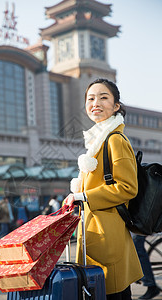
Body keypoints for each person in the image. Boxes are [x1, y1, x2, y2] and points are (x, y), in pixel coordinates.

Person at [64, 78, 143, 299]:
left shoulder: (115, 139)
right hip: (96, 234)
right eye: (90, 98)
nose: (95, 102)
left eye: (103, 97)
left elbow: (128, 187)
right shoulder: (98, 140)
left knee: (111, 293)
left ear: (116, 105)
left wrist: (83, 195)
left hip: (108, 237)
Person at [132, 234, 160, 299]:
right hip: (139, 224)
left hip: (142, 224)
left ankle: (150, 284)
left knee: (137, 250)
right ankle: (137, 272)